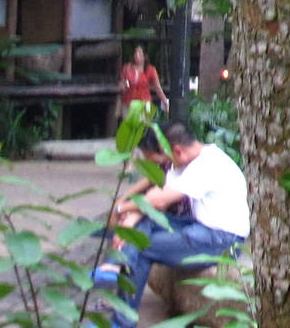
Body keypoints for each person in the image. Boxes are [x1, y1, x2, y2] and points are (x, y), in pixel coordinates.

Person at [101, 122, 248, 328]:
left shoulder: (208, 165)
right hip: (199, 227)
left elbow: (159, 201)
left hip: (223, 241)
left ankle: (121, 322)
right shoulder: (187, 160)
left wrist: (121, 209)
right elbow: (153, 199)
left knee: (141, 247)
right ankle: (115, 265)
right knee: (143, 225)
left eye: (168, 157)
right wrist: (132, 220)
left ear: (177, 150)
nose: (166, 163)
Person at [118, 45, 169, 120]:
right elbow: (123, 83)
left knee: (143, 128)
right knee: (129, 128)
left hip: (145, 103)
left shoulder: (151, 70)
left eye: (139, 53)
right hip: (128, 103)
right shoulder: (127, 68)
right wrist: (123, 85)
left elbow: (157, 87)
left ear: (144, 56)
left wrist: (165, 100)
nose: (137, 55)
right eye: (135, 53)